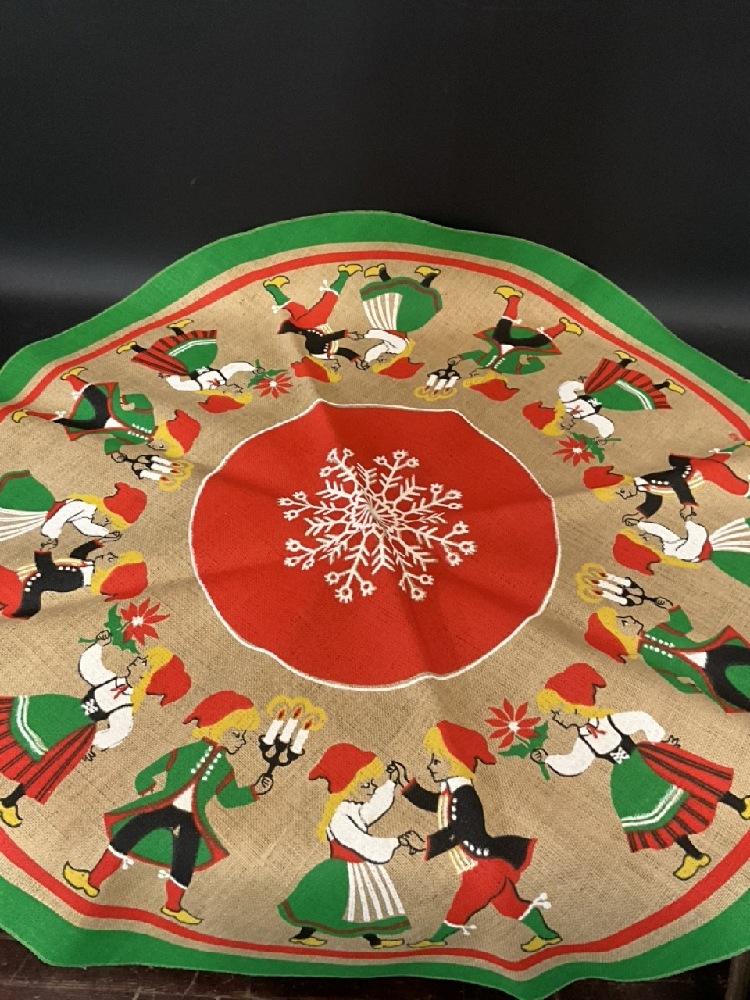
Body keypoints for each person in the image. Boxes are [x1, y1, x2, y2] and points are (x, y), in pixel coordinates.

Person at [64, 691, 273, 925]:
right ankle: (92, 881)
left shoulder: (225, 769)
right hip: (163, 805)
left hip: (192, 818)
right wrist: (145, 784)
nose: (242, 741)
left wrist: (254, 791)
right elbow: (155, 768)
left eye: (242, 736)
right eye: (237, 734)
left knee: (185, 859)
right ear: (217, 726)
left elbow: (228, 799)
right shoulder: (189, 751)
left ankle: (173, 906)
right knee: (127, 835)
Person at [533, 663, 750, 881]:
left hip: (649, 761)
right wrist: (548, 759)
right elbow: (575, 763)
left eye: (556, 712)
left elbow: (641, 718)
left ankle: (741, 805)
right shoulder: (584, 739)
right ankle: (694, 855)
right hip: (629, 778)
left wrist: (659, 740)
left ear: (574, 705)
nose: (556, 719)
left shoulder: (608, 721)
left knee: (693, 782)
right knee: (661, 817)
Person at [391, 720, 561, 953]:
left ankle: (437, 939)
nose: (430, 767)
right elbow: (436, 804)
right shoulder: (452, 793)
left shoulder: (464, 795)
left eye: (436, 761)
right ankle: (547, 935)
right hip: (483, 864)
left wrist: (426, 844)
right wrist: (404, 783)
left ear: (455, 763)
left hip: (482, 867)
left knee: (463, 905)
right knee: (510, 906)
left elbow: (459, 831)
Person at [0, 629, 189, 827]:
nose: (137, 659)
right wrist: (98, 646)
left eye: (144, 663)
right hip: (66, 710)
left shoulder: (126, 705)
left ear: (149, 678)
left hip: (78, 731)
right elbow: (90, 669)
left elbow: (118, 731)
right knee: (17, 725)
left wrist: (92, 742)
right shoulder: (111, 679)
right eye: (142, 657)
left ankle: (9, 802)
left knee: (46, 765)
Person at [279, 742, 412, 949]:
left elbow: (372, 810)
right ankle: (307, 935)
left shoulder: (351, 809)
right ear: (348, 786)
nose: (372, 788)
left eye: (372, 783)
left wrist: (390, 784)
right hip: (342, 870)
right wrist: (397, 841)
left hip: (355, 868)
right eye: (366, 784)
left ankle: (373, 940)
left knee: (359, 904)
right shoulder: (338, 816)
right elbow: (360, 842)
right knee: (346, 904)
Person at [585, 599, 750, 713]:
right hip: (704, 676)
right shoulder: (648, 658)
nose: (628, 617)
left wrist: (672, 608)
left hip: (712, 651)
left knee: (741, 655)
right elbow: (673, 681)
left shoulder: (660, 629)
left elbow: (684, 626)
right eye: (623, 622)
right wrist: (695, 688)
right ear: (621, 637)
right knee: (734, 695)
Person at [12, 368, 200, 460]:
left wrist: (115, 453)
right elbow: (144, 403)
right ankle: (71, 377)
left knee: (70, 423)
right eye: (162, 445)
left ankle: (29, 414)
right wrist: (126, 401)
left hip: (101, 425)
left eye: (159, 448)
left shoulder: (136, 442)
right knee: (97, 397)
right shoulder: (149, 423)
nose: (157, 446)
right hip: (112, 413)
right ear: (163, 438)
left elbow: (113, 441)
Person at [583, 448, 750, 521]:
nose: (624, 495)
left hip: (699, 472)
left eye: (621, 491)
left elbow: (676, 480)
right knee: (720, 458)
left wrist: (687, 505)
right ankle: (733, 448)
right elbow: (654, 501)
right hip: (695, 469)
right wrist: (639, 516)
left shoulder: (649, 479)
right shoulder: (645, 486)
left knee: (738, 488)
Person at [263, 265, 369, 371]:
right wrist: (358, 360)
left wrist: (346, 334)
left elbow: (324, 338)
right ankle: (272, 287)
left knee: (329, 301)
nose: (336, 365)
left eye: (332, 367)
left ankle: (344, 274)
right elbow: (345, 352)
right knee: (295, 307)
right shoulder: (328, 353)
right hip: (308, 324)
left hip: (313, 322)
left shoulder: (316, 351)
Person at [0, 542, 147, 619]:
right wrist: (95, 544)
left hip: (23, 593)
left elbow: (48, 573)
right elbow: (76, 555)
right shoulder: (83, 568)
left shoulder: (74, 580)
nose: (109, 554)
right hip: (22, 581)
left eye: (112, 559)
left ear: (106, 575)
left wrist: (43, 551)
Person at [557, 353, 684, 441]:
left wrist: (583, 386)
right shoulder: (584, 416)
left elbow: (566, 388)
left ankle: (626, 360)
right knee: (636, 396)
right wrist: (603, 436)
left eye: (563, 424)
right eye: (568, 426)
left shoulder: (567, 404)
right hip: (611, 401)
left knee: (610, 376)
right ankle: (666, 385)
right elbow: (603, 423)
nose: (567, 424)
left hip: (599, 390)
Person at [0, 470, 146, 546]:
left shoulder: (88, 513)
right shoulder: (83, 506)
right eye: (107, 519)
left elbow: (85, 527)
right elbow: (61, 515)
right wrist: (52, 534)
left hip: (43, 515)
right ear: (105, 509)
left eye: (109, 523)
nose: (105, 523)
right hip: (42, 507)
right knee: (12, 508)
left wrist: (104, 533)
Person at [117, 320, 261, 395]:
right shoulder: (223, 377)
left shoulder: (201, 386)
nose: (235, 388)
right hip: (201, 361)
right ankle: (176, 327)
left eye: (235, 391)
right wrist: (252, 368)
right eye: (237, 388)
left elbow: (179, 386)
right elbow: (234, 367)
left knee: (160, 358)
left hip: (184, 366)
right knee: (190, 345)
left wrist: (171, 375)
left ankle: (133, 347)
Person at [613, 514, 750, 589]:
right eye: (643, 539)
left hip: (712, 547)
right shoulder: (679, 552)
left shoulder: (672, 547)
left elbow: (662, 532)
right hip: (712, 548)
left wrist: (640, 524)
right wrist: (688, 521)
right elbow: (696, 540)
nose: (645, 538)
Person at [358, 263, 442, 371]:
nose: (380, 359)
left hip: (394, 321)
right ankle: (430, 276)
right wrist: (365, 336)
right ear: (393, 360)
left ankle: (382, 272)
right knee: (407, 297)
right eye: (383, 361)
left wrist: (366, 360)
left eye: (379, 361)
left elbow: (377, 350)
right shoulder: (400, 348)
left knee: (396, 295)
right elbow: (387, 336)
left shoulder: (390, 349)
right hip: (400, 320)